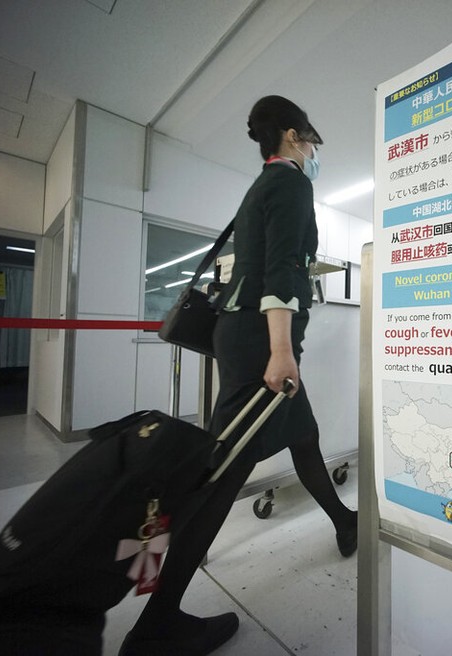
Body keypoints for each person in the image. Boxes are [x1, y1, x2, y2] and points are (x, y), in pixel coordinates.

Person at [120, 95, 357, 655]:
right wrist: (281, 350)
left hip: (245, 334)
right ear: (295, 136)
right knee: (224, 472)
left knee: (303, 436)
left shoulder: (261, 186)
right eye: (313, 141)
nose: (316, 151)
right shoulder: (293, 184)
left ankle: (343, 519)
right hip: (260, 346)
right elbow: (280, 270)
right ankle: (156, 624)